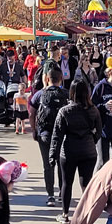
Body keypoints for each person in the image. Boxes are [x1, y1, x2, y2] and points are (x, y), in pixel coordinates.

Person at [50, 80, 102, 224]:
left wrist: (52, 155)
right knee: (86, 184)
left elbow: (57, 135)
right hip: (88, 150)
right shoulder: (93, 110)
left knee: (67, 183)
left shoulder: (65, 111)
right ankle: (88, 216)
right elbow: (99, 130)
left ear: (71, 93)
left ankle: (65, 214)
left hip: (69, 150)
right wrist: (91, 139)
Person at [28, 67, 69, 207]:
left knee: (47, 165)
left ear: (47, 79)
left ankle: (50, 194)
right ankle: (61, 193)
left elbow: (31, 113)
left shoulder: (40, 94)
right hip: (62, 135)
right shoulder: (66, 93)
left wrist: (34, 130)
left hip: (44, 133)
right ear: (61, 79)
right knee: (61, 164)